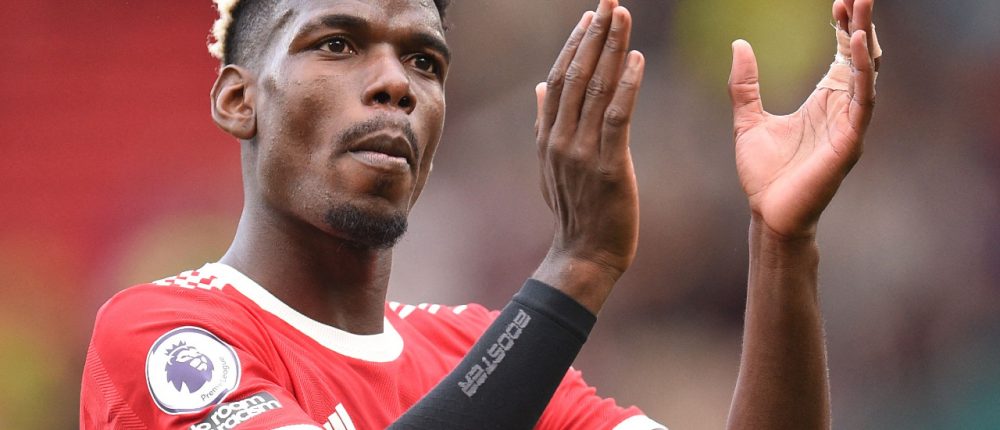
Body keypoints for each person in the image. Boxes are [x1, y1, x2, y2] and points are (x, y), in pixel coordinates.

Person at [80, 0, 880, 428]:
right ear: (238, 99)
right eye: (336, 44)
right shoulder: (165, 335)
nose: (395, 83)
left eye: (424, 60)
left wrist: (782, 244)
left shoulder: (477, 352)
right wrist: (577, 270)